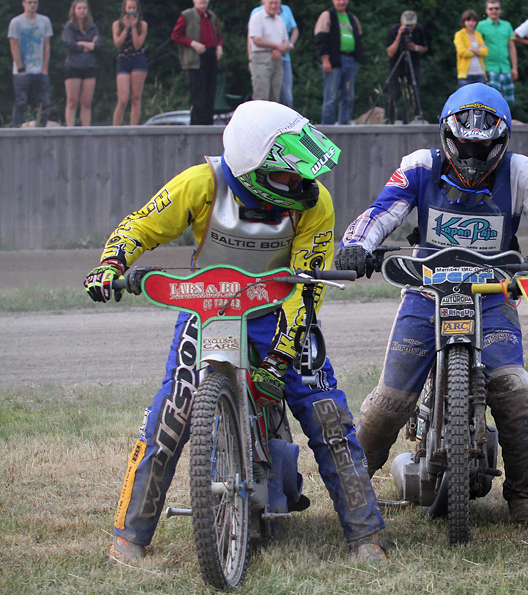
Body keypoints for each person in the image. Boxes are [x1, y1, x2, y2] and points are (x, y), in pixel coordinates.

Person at [89, 100, 388, 564]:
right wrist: (112, 262)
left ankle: (366, 535)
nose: (302, 183)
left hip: (282, 310)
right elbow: (142, 226)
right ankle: (130, 536)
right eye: (289, 175)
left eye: (303, 173)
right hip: (205, 306)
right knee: (171, 411)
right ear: (252, 168)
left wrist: (279, 358)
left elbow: (307, 288)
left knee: (327, 414)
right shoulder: (201, 183)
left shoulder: (316, 202)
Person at [334, 83, 528, 524]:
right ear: (447, 136)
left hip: (493, 293)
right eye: (464, 146)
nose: (472, 156)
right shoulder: (419, 166)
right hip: (425, 290)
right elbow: (380, 213)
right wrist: (356, 245)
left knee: (516, 390)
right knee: (389, 400)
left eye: (483, 147)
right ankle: (351, 492)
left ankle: (525, 496)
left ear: (500, 141)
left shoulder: (522, 171)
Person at [171, 0, 223, 126]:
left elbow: (217, 35)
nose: (203, 0)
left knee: (210, 92)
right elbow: (176, 35)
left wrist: (219, 46)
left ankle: (208, 124)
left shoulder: (211, 16)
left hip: (211, 55)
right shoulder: (187, 15)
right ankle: (197, 125)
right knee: (198, 94)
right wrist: (193, 43)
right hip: (196, 58)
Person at [315, 0, 363, 125]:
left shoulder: (352, 18)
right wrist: (325, 59)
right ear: (333, 0)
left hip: (350, 60)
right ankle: (328, 126)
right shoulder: (327, 15)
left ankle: (344, 125)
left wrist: (358, 57)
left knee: (348, 96)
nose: (341, 2)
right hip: (334, 60)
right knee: (331, 96)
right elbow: (321, 39)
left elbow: (359, 36)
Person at [248, 0, 298, 108]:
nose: (273, 6)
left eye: (276, 3)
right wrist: (276, 47)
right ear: (264, 3)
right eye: (270, 3)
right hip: (261, 59)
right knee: (261, 96)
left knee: (275, 97)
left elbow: (286, 39)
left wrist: (281, 49)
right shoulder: (257, 17)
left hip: (278, 59)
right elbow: (256, 39)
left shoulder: (280, 20)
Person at [8, 0, 52, 127]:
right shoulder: (16, 22)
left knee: (44, 102)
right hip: (22, 70)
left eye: (35, 2)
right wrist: (20, 68)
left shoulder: (44, 21)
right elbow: (14, 46)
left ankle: (42, 128)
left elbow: (47, 46)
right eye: (29, 2)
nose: (32, 5)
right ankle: (16, 129)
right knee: (21, 101)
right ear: (23, 4)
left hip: (39, 69)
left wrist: (45, 68)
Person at [61, 0, 101, 127]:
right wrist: (89, 45)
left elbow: (98, 45)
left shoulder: (92, 27)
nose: (82, 11)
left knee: (87, 102)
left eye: (84, 8)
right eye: (79, 8)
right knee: (72, 101)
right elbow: (71, 45)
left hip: (89, 66)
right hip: (73, 66)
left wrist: (82, 43)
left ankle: (86, 129)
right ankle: (70, 129)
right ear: (74, 10)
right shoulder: (69, 27)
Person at [384, 10, 428, 124]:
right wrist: (399, 36)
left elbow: (425, 48)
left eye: (411, 25)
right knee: (393, 93)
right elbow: (390, 52)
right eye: (407, 25)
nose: (410, 28)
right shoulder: (394, 31)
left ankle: (408, 120)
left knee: (412, 93)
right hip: (397, 64)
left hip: (413, 64)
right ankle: (389, 120)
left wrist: (415, 47)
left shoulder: (419, 30)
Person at [112, 0, 148, 126]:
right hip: (123, 60)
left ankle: (134, 128)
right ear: (125, 9)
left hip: (138, 60)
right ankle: (115, 129)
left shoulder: (142, 25)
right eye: (129, 8)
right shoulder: (117, 24)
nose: (131, 10)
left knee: (136, 97)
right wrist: (126, 28)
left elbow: (137, 45)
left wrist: (133, 27)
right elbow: (117, 43)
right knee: (123, 99)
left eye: (134, 8)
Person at [476, 0, 517, 105]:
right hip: (489, 67)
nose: (494, 11)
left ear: (500, 10)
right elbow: (477, 45)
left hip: (505, 67)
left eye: (496, 8)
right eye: (491, 8)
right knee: (492, 100)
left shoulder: (506, 25)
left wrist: (514, 67)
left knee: (508, 101)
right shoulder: (481, 26)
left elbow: (511, 47)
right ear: (486, 10)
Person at [454, 9, 487, 87]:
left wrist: (471, 49)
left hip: (480, 72)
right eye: (468, 20)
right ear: (464, 22)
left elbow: (485, 52)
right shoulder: (459, 35)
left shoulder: (478, 35)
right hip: (466, 74)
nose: (471, 23)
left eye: (473, 21)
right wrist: (478, 51)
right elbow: (463, 52)